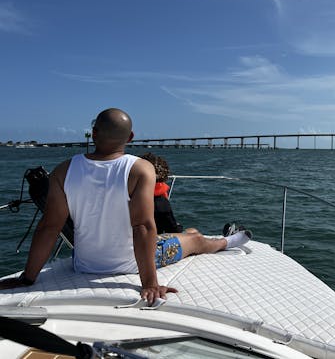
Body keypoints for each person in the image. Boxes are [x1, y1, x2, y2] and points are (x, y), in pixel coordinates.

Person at [0, 108, 251, 305]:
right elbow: (142, 226)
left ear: (93, 133)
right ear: (130, 137)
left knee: (181, 235)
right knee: (194, 243)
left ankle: (193, 235)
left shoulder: (63, 171)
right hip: (130, 263)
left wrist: (28, 277)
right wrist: (150, 283)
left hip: (84, 263)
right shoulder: (140, 168)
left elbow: (49, 227)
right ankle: (225, 242)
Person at [140, 152, 183, 234]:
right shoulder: (160, 203)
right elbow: (172, 230)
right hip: (152, 242)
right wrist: (179, 227)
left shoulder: (127, 195)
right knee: (194, 234)